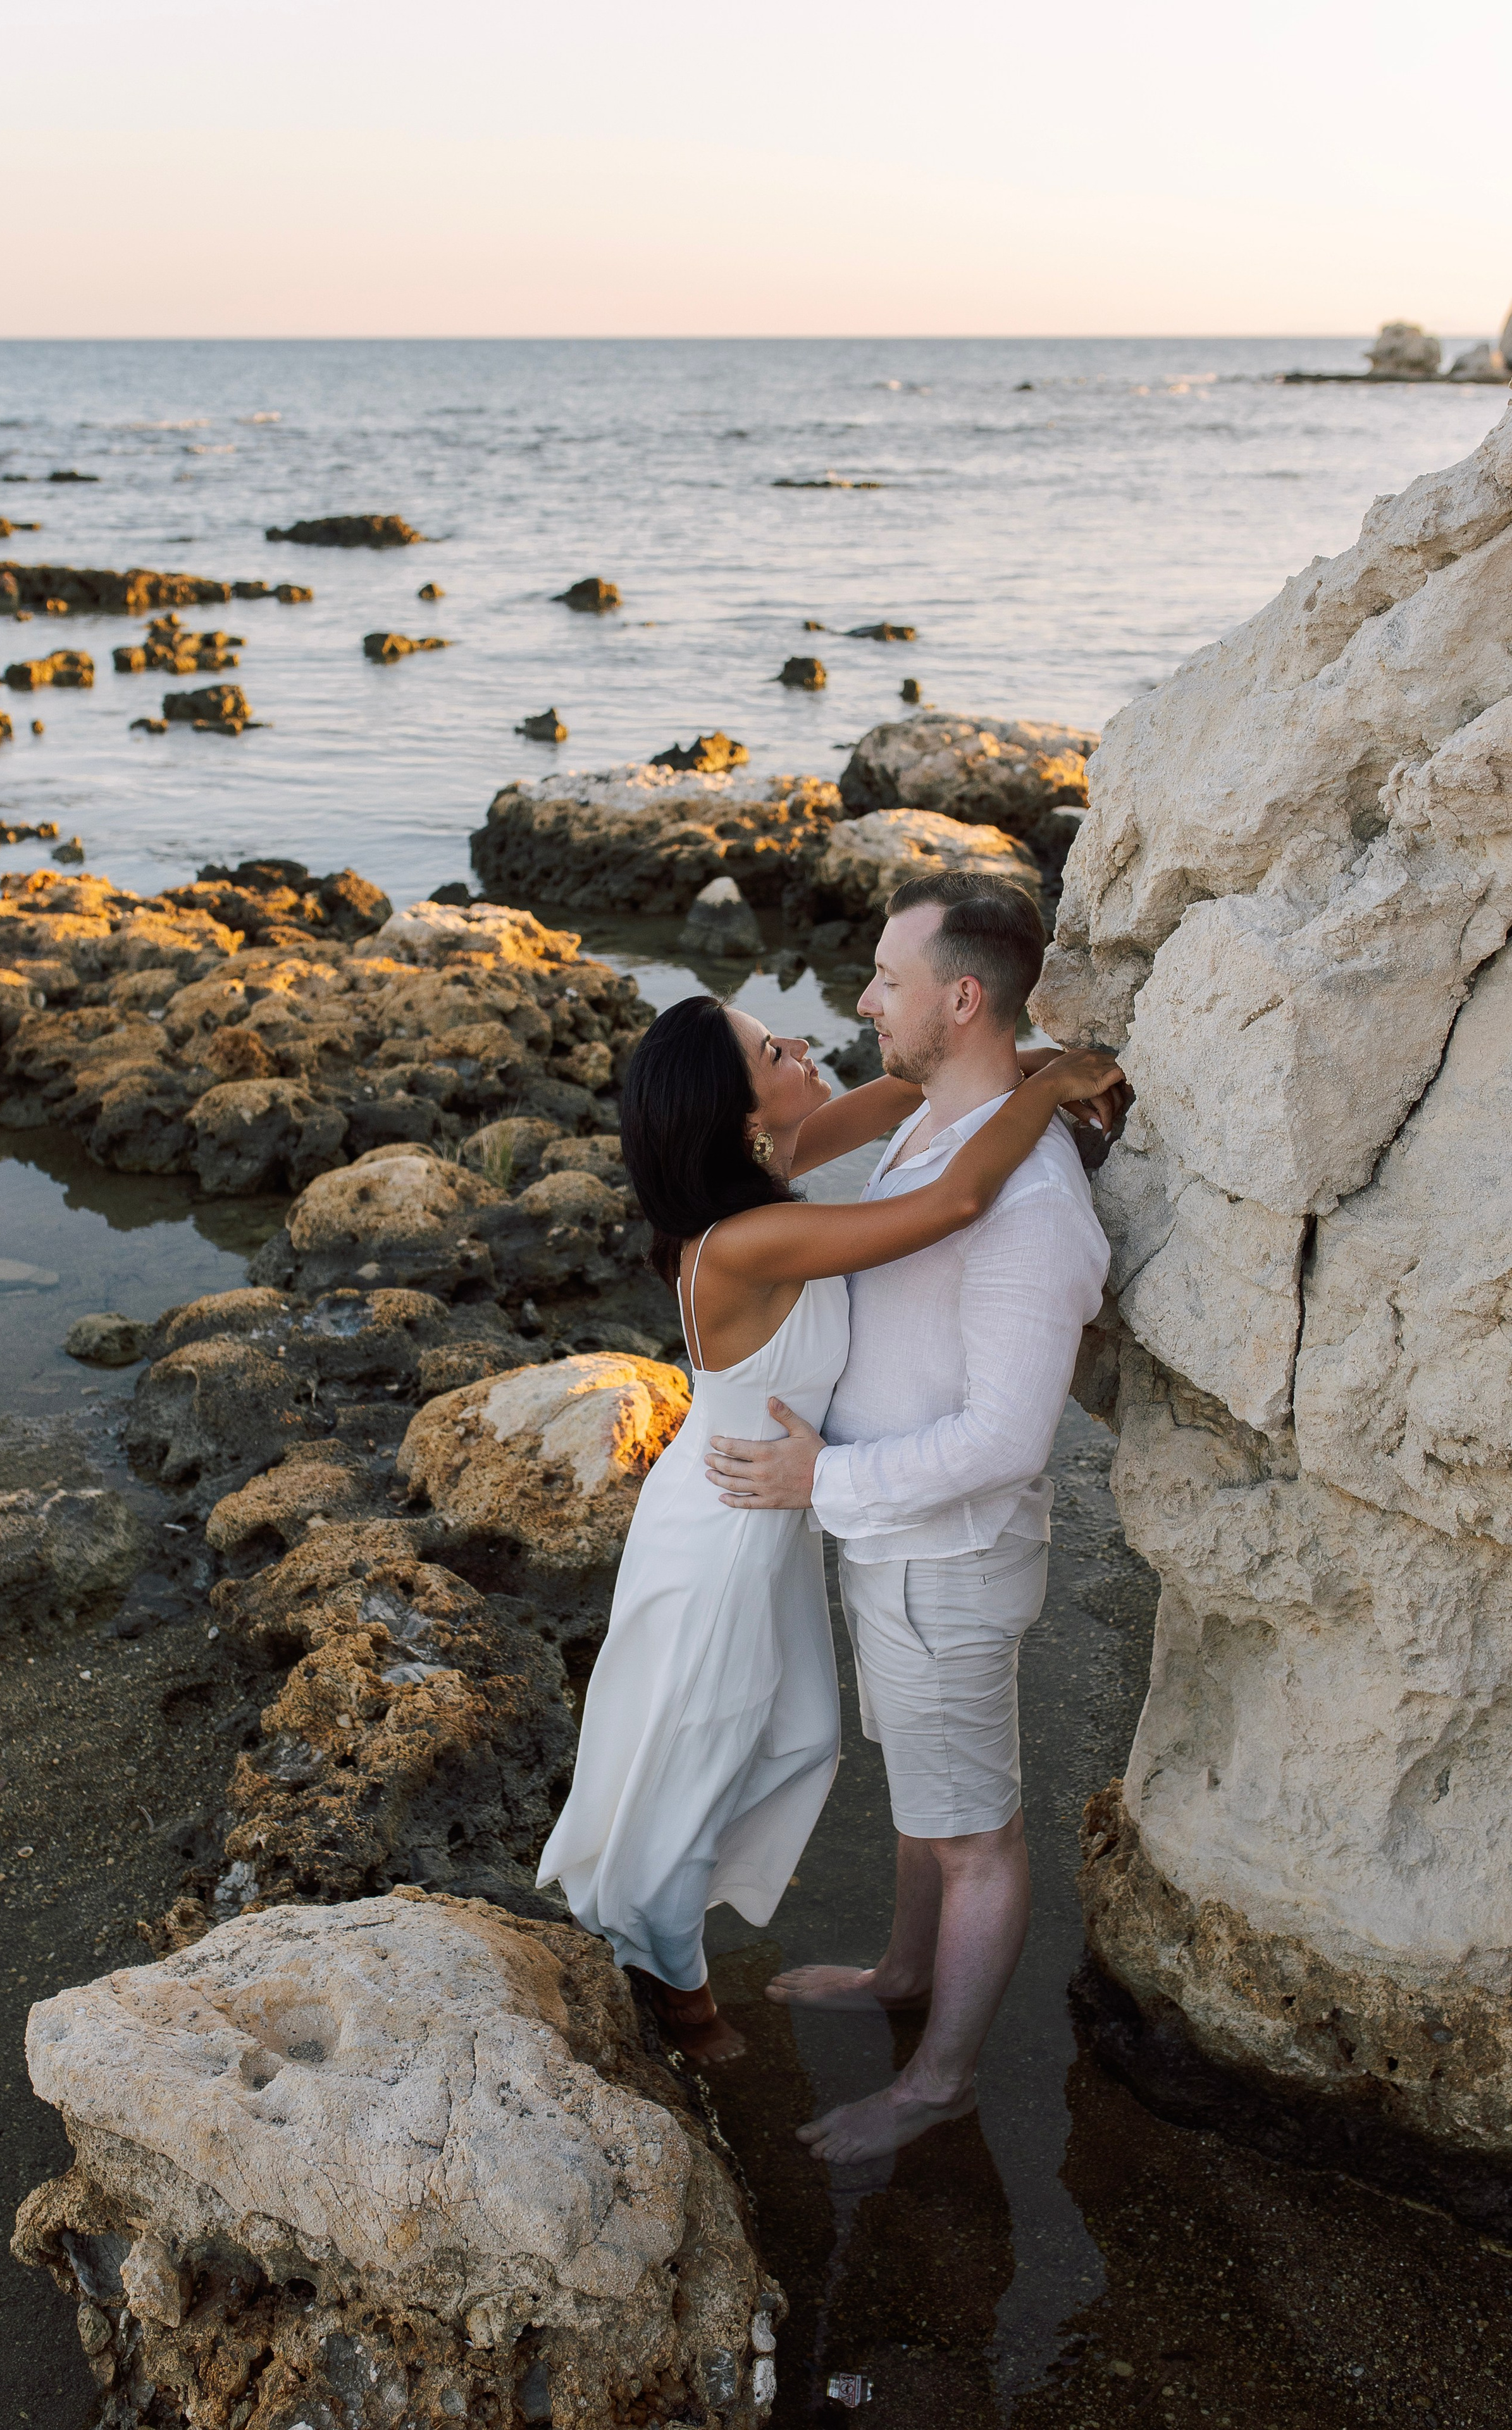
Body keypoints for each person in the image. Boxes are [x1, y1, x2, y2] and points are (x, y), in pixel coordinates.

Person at [535, 947, 1122, 2059]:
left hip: (766, 1516)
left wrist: (1030, 1054)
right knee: (699, 1753)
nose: (801, 1045)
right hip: (722, 1536)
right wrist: (1046, 1091)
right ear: (740, 1114)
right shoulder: (751, 1239)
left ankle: (669, 1939)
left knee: (792, 1738)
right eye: (773, 1050)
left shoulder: (773, 1164)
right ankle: (674, 1982)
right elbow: (955, 1198)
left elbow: (915, 1086)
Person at [703, 871, 1117, 2159]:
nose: (860, 1000)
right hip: (887, 1543)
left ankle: (935, 2082)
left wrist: (818, 1480)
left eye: (886, 978)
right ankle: (900, 1976)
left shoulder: (1029, 1203)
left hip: (939, 1557)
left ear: (961, 996)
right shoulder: (940, 1120)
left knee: (976, 1830)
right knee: (924, 1798)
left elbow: (1003, 1440)